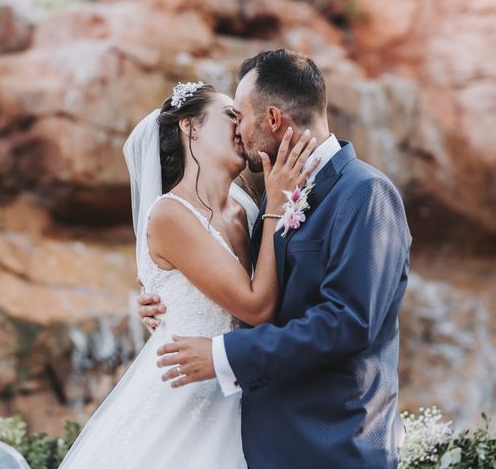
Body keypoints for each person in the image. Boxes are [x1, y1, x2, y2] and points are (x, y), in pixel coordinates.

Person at [140, 49, 413, 468]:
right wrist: (164, 298)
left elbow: (348, 322)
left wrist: (221, 354)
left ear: (272, 120)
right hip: (254, 440)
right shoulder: (270, 195)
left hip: (332, 445)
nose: (238, 131)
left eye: (241, 117)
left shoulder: (365, 193)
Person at [58, 81, 318, 468]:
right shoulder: (170, 214)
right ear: (189, 126)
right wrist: (278, 204)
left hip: (244, 398)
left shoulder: (248, 208)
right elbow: (254, 307)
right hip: (184, 402)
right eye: (230, 114)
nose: (239, 125)